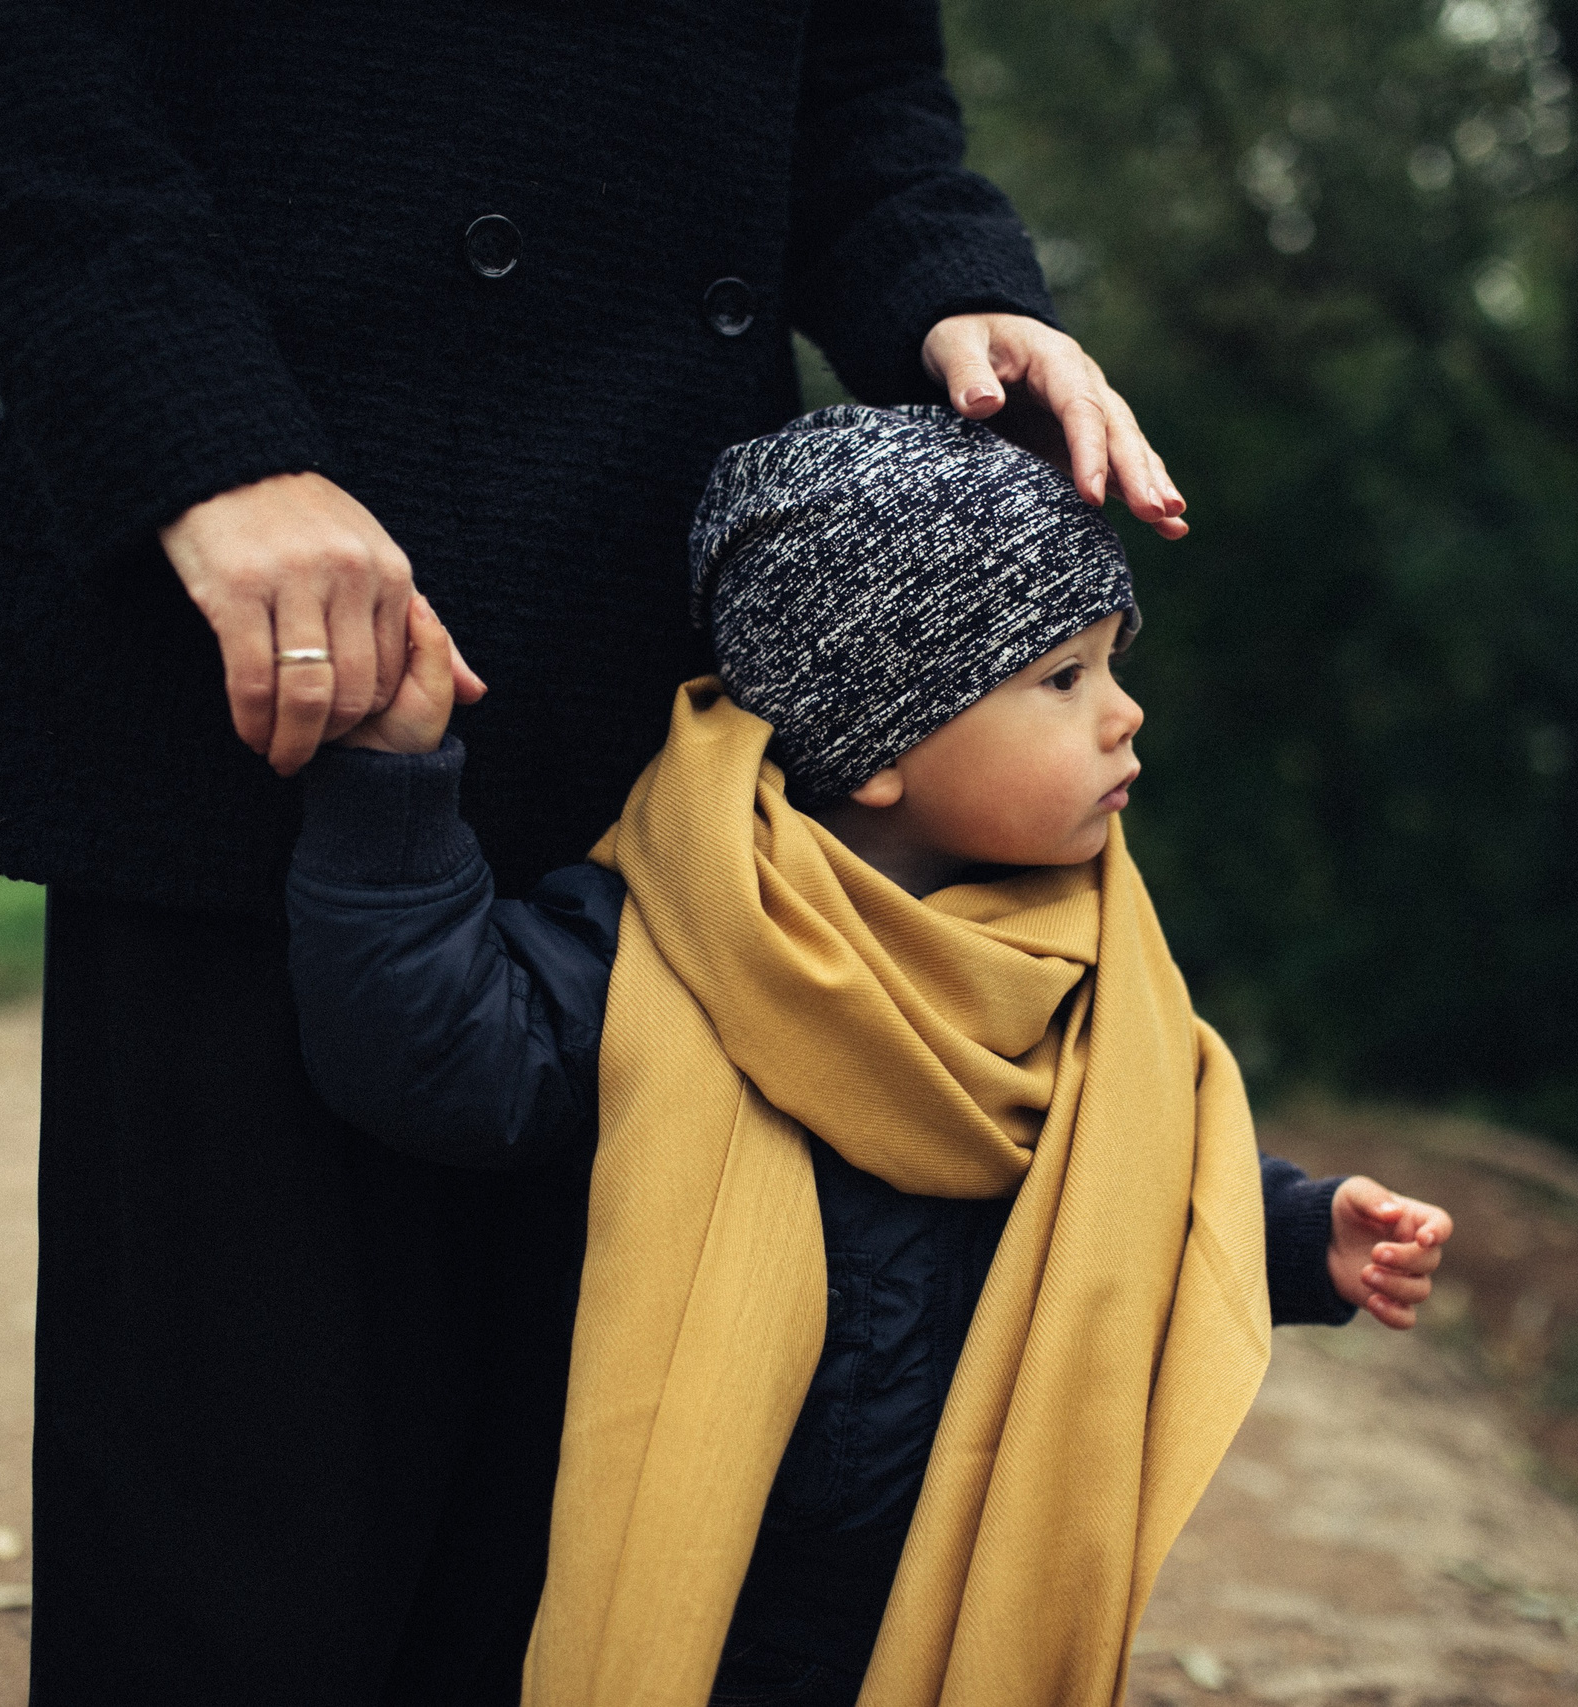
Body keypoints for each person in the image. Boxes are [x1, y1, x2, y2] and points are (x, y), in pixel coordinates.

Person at [0, 10, 1203, 1707]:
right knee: (242, 1567)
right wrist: (198, 432)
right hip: (275, 672)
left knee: (578, 1578)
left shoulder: (807, 882)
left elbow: (855, 87)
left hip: (666, 722)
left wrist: (951, 281)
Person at [286, 406, 1454, 1706]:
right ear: (883, 739)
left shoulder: (1073, 964)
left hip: (930, 1594)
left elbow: (1133, 1174)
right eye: (1061, 679)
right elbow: (447, 1059)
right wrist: (391, 793)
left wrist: (1299, 1233)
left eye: (1114, 666)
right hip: (694, 1591)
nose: (1124, 716)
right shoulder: (668, 939)